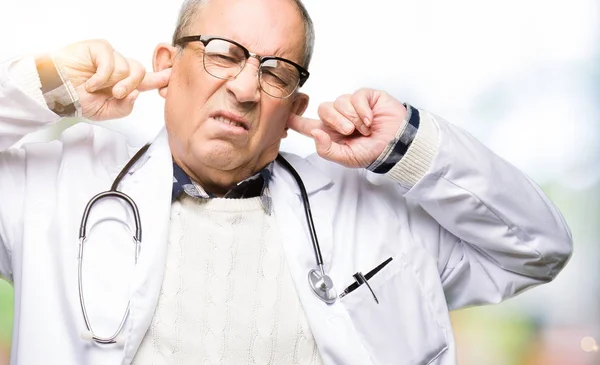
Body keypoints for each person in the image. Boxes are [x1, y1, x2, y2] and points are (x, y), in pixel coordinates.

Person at [0, 0, 572, 364]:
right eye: (223, 54)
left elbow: (538, 248)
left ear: (294, 103)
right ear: (166, 67)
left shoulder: (373, 214)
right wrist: (42, 87)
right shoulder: (58, 186)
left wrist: (409, 148)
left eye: (275, 71)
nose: (247, 88)